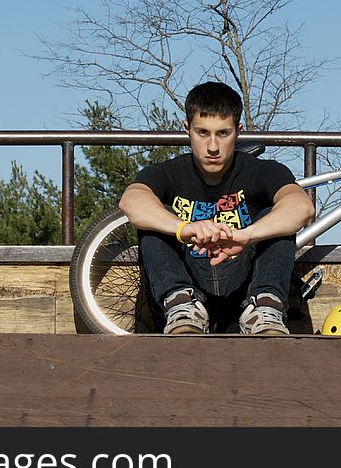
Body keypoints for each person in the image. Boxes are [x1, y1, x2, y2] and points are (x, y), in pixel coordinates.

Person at [118, 81, 315, 335]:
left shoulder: (262, 171)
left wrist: (247, 235)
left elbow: (301, 206)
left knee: (275, 216)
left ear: (238, 130)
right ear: (187, 129)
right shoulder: (169, 173)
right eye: (202, 133)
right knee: (156, 217)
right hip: (183, 291)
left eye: (223, 133)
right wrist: (184, 228)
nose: (212, 146)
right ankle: (181, 306)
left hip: (243, 295)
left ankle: (265, 308)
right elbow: (131, 201)